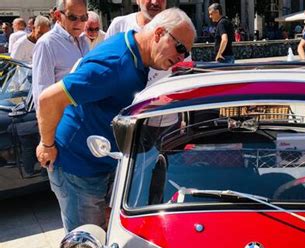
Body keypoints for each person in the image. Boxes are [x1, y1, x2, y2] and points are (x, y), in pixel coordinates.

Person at [35, 8, 195, 232]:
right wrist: (47, 144)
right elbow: (48, 99)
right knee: (89, 244)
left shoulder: (134, 51)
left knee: (112, 235)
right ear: (158, 33)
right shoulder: (115, 64)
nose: (181, 57)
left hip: (105, 161)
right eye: (180, 48)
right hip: (79, 167)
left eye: (185, 53)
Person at [32, 0, 89, 109]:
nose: (79, 23)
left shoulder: (83, 40)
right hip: (63, 121)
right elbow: (42, 95)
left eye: (83, 18)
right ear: (58, 15)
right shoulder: (47, 44)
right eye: (72, 17)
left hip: (85, 118)